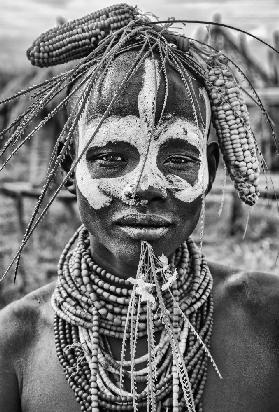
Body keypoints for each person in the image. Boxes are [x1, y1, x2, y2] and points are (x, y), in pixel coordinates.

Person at [0, 4, 279, 412]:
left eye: (179, 158)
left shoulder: (269, 318)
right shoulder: (15, 343)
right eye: (111, 156)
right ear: (69, 166)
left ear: (212, 168)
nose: (145, 185)